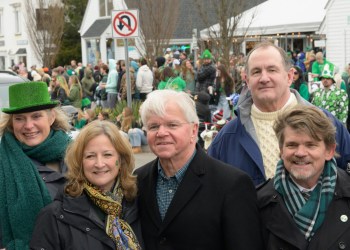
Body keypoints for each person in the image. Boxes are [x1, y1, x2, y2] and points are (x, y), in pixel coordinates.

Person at [135, 89, 263, 250]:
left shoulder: (231, 184)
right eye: (153, 126)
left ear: (194, 130)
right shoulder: (138, 180)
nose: (161, 133)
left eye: (172, 125)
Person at [208, 42, 350, 186]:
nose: (264, 78)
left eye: (272, 70)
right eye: (256, 72)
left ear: (289, 77)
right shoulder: (227, 138)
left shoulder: (328, 124)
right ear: (247, 81)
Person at [30, 120, 143, 249]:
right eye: (90, 156)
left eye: (107, 155)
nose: (99, 164)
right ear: (79, 162)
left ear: (121, 160)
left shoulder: (137, 203)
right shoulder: (54, 216)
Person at [258, 105, 350, 249]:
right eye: (292, 145)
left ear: (329, 151)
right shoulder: (259, 203)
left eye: (311, 145)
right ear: (281, 150)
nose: (300, 153)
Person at [0, 81, 71, 249]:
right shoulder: (3, 163)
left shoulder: (77, 154)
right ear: (11, 122)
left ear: (51, 117)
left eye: (36, 116)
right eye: (19, 118)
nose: (29, 125)